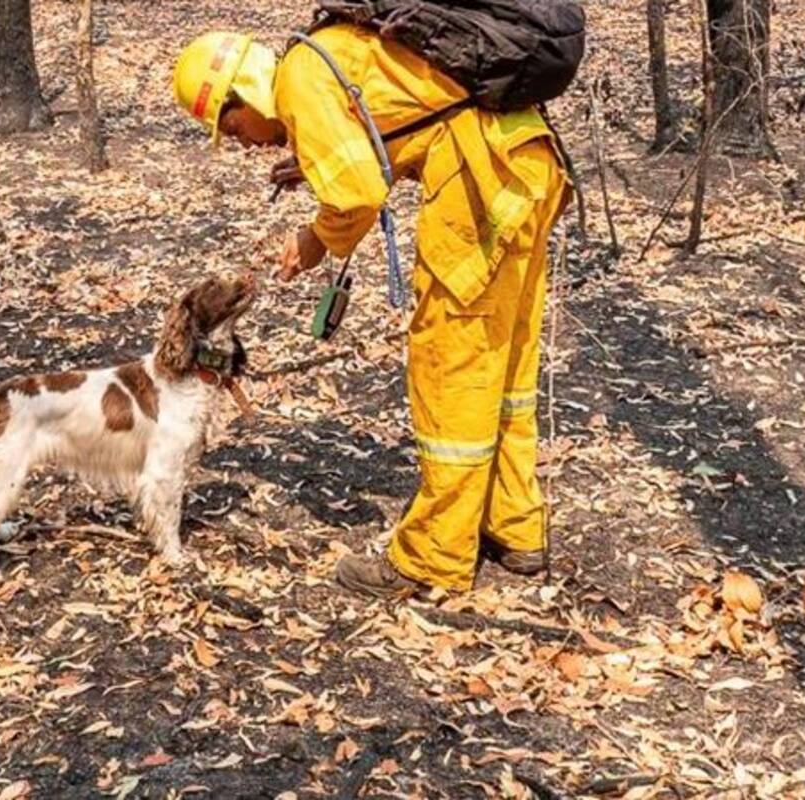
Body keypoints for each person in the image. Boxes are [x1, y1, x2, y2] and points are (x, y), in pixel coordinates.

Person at [172, 25, 570, 598]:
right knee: (502, 365)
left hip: (480, 191)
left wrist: (314, 240)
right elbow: (404, 121)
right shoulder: (324, 57)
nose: (245, 143)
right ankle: (514, 525)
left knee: (450, 370)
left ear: (246, 93)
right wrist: (310, 166)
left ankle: (433, 557)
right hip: (525, 170)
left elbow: (358, 194)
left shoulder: (301, 80)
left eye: (233, 128)